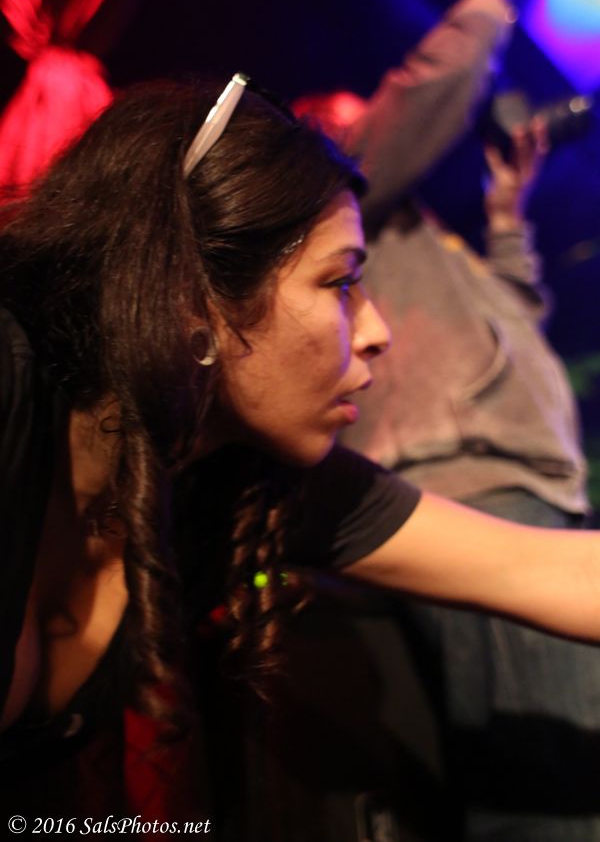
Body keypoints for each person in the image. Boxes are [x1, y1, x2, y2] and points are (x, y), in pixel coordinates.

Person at [1, 73, 600, 838]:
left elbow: (543, 569)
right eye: (340, 282)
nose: (377, 331)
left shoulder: (248, 480)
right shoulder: (10, 380)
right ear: (192, 297)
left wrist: (507, 218)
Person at [296, 0, 600, 841]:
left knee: (543, 783)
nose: (382, 128)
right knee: (558, 800)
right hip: (474, 487)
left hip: (519, 485)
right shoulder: (340, 192)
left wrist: (505, 215)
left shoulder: (416, 240)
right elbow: (437, 86)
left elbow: (517, 313)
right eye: (361, 121)